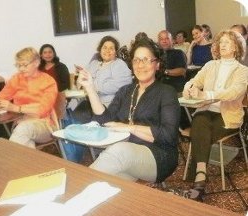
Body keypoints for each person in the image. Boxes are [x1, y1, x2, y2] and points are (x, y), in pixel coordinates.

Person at [77, 39, 180, 183]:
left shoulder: (167, 92)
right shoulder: (125, 91)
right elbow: (104, 120)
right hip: (128, 156)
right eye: (136, 60)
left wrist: (129, 128)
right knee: (106, 185)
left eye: (146, 60)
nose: (140, 65)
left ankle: (75, 185)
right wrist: (90, 88)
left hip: (158, 155)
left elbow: (168, 135)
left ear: (157, 65)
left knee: (119, 150)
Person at [182, 30, 248, 200]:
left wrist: (207, 95)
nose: (223, 45)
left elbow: (233, 93)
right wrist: (189, 88)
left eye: (228, 42)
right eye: (221, 42)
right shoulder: (210, 65)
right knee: (201, 119)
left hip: (228, 116)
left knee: (200, 127)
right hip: (206, 112)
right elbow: (194, 81)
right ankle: (201, 177)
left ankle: (199, 178)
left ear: (236, 47)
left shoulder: (242, 71)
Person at [0, 47, 58, 148]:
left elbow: (42, 110)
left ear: (36, 62)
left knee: (23, 129)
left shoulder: (48, 81)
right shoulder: (16, 78)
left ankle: (10, 161)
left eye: (24, 65)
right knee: (23, 138)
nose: (21, 69)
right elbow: (1, 97)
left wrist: (15, 108)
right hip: (21, 122)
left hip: (45, 124)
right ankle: (26, 163)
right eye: (18, 65)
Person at [73, 35, 132, 123]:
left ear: (115, 52)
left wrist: (92, 87)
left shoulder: (119, 64)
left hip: (108, 106)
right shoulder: (93, 63)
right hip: (88, 102)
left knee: (84, 118)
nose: (107, 51)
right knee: (76, 116)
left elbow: (122, 85)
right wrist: (80, 81)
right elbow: (82, 82)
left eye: (111, 48)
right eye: (104, 47)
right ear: (100, 50)